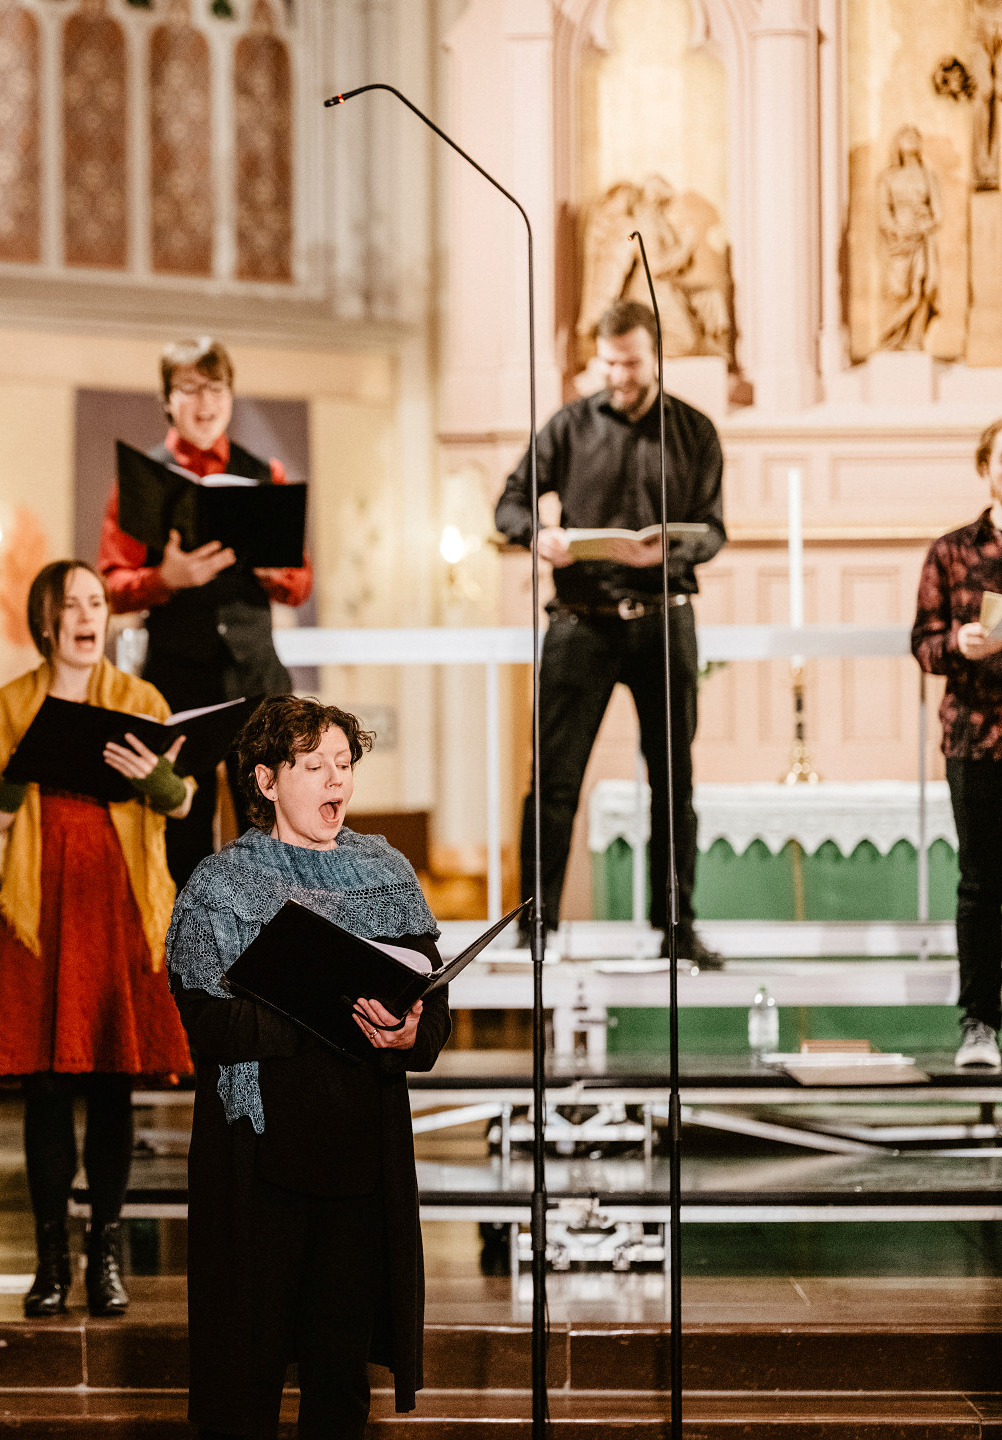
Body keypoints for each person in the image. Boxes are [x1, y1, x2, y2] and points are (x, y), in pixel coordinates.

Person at [166, 694, 451, 1439]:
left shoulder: (384, 869)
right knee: (248, 1373)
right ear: (266, 780)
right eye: (315, 765)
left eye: (344, 764)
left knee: (340, 1371)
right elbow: (208, 1020)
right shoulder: (220, 885)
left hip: (359, 1154)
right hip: (258, 1159)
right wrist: (325, 1014)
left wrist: (407, 1033)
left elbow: (431, 1004)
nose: (336, 781)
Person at [0, 559, 196, 1317]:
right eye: (71, 604)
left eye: (97, 602)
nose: (87, 615)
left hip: (118, 901)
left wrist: (152, 780)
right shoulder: (9, 705)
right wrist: (19, 770)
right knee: (45, 1088)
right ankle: (50, 1263)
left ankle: (105, 1258)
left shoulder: (139, 699)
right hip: (41, 907)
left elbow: (180, 804)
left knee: (109, 1084)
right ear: (45, 621)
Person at [493, 297, 727, 967]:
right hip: (579, 625)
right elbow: (510, 502)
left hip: (663, 621)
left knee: (673, 780)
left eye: (632, 363)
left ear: (655, 356)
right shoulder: (567, 426)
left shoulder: (694, 431)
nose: (620, 376)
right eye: (610, 364)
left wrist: (672, 553)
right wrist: (541, 537)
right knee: (554, 780)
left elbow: (714, 528)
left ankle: (676, 924)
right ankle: (538, 924)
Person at [98, 336, 313, 887]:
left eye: (215, 389)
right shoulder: (141, 476)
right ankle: (192, 968)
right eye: (189, 390)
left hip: (256, 677)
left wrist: (274, 570)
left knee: (269, 832)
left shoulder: (264, 472)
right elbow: (110, 584)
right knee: (182, 834)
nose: (204, 403)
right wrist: (163, 580)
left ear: (230, 395)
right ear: (167, 399)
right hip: (177, 676)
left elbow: (301, 580)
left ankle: (265, 968)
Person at [912, 417, 1002, 1069]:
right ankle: (979, 1022)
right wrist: (957, 644)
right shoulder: (951, 550)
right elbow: (921, 639)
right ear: (985, 468)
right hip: (976, 734)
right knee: (979, 882)